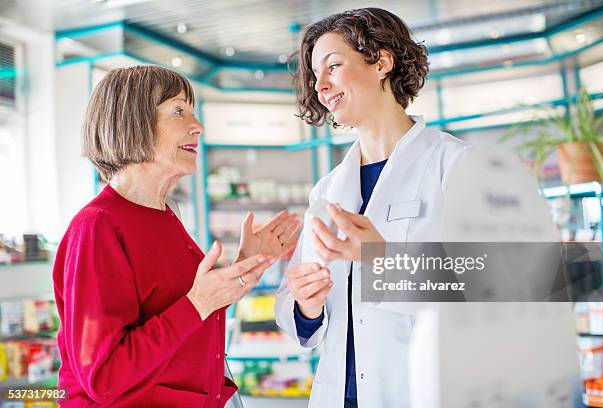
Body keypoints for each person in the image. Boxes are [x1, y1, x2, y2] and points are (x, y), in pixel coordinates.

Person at [53, 66, 300, 407]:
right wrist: (199, 303)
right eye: (178, 111)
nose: (197, 127)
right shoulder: (97, 228)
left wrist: (243, 267)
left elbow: (179, 311)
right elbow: (103, 376)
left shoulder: (165, 217)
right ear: (132, 122)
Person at [275, 8, 471, 408]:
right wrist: (305, 306)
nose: (321, 86)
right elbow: (292, 302)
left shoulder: (456, 165)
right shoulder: (327, 191)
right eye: (315, 76)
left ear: (381, 61)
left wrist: (382, 260)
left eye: (333, 66)